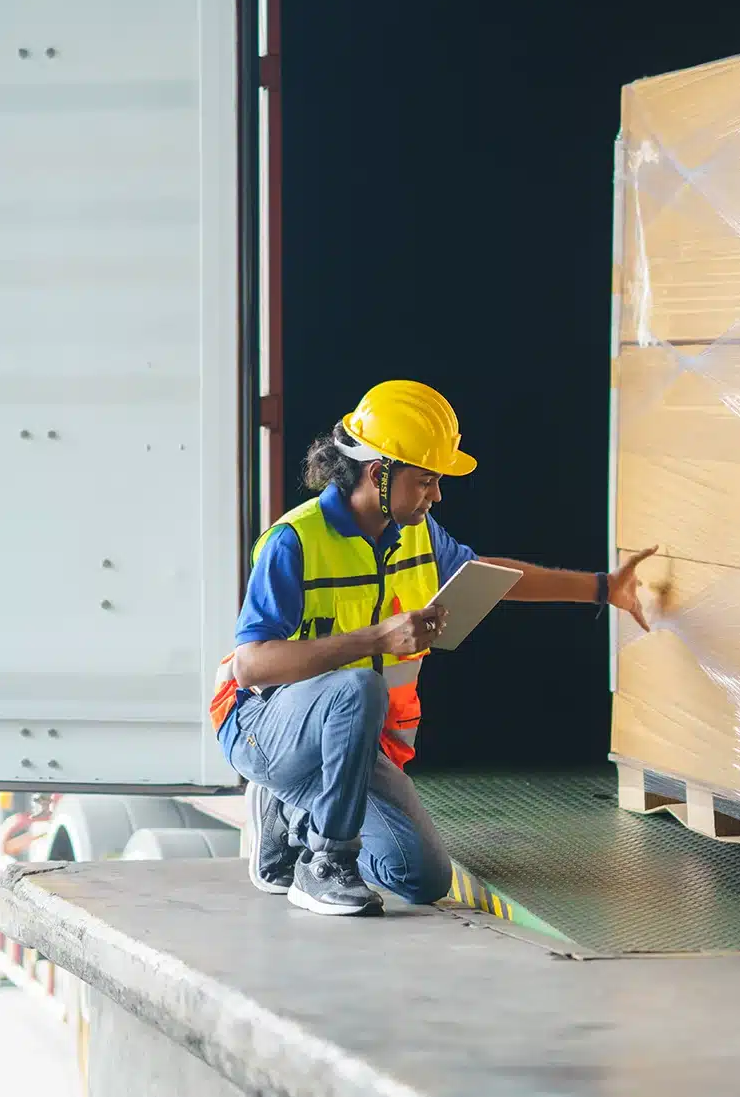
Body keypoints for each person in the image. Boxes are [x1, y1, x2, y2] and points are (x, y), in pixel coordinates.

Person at [208, 379, 657, 916]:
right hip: (260, 731)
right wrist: (377, 638)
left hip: (352, 747)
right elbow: (252, 663)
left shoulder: (416, 533)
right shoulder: (296, 541)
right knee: (358, 684)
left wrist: (603, 588)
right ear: (379, 475)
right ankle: (323, 865)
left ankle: (294, 816)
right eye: (425, 481)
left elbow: (492, 576)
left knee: (420, 877)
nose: (436, 495)